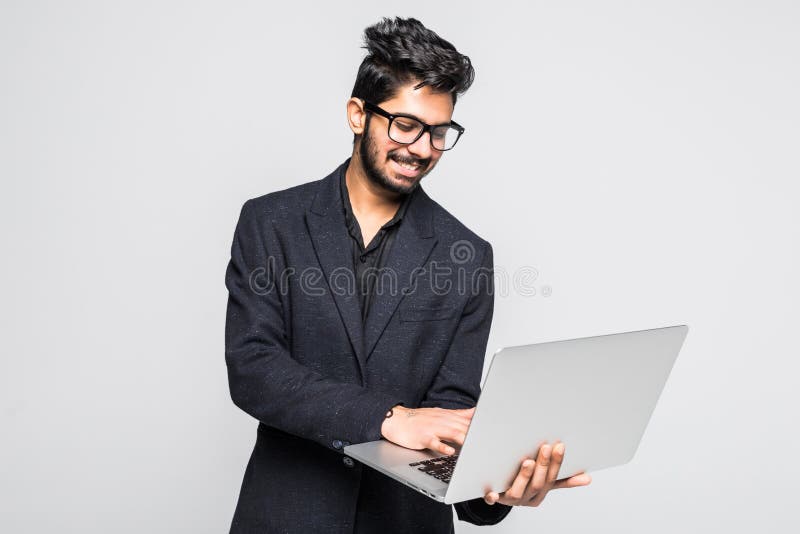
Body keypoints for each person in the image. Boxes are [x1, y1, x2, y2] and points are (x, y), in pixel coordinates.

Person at [224, 16, 591, 533]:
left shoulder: (467, 254)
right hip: (287, 517)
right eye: (406, 125)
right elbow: (254, 369)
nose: (422, 148)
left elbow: (451, 414)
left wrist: (495, 488)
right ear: (358, 115)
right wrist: (391, 418)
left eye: (439, 132)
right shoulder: (270, 222)